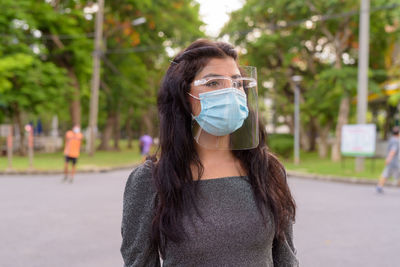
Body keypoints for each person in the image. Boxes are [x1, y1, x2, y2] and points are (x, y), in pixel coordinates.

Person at [121, 39, 298, 266]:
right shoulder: (151, 179)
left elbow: (286, 259)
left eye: (236, 83)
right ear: (184, 96)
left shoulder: (267, 170)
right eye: (213, 83)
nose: (230, 92)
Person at [376, 126, 400, 193]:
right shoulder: (395, 141)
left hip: (392, 161)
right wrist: (388, 159)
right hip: (394, 162)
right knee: (386, 174)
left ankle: (379, 186)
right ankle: (379, 186)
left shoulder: (392, 139)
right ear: (398, 133)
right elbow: (393, 150)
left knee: (386, 174)